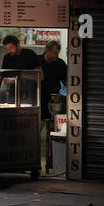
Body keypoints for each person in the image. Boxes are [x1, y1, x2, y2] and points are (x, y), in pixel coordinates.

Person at [37, 40, 68, 173]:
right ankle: (35, 162)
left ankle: (52, 162)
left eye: (57, 53)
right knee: (37, 130)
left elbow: (67, 81)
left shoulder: (60, 64)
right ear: (47, 50)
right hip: (39, 99)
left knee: (54, 132)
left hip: (54, 101)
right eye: (53, 53)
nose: (55, 56)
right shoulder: (37, 61)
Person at [0, 34, 43, 104]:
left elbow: (40, 76)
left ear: (18, 45)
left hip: (30, 95)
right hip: (13, 96)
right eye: (7, 49)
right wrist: (9, 80)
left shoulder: (30, 54)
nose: (9, 51)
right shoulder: (7, 58)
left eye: (11, 47)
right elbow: (4, 79)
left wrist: (20, 75)